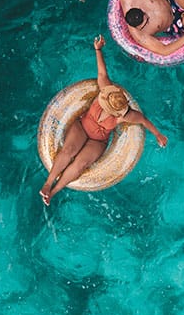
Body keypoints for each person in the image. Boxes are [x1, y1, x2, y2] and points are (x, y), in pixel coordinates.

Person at [40, 35, 168, 205]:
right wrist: (98, 49)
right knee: (69, 149)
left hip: (98, 141)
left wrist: (158, 134)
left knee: (81, 163)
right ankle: (48, 184)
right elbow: (101, 71)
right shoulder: (106, 90)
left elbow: (143, 120)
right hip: (82, 126)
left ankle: (54, 192)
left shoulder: (125, 115)